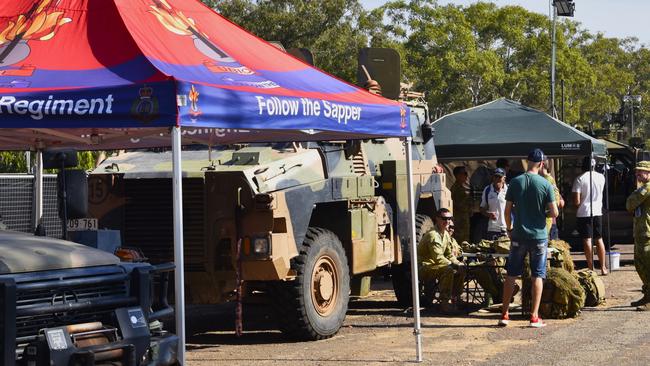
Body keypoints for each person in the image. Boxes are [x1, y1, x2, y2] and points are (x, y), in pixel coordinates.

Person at [499, 148, 558, 328]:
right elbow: (554, 212)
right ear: (541, 164)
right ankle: (534, 317)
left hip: (518, 235)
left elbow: (507, 211)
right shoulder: (546, 184)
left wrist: (509, 229)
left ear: (527, 161)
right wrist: (543, 212)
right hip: (539, 236)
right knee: (537, 275)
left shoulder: (515, 182)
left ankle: (504, 314)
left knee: (511, 274)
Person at [418, 208, 465, 314]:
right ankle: (444, 303)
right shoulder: (433, 235)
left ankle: (456, 299)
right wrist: (453, 265)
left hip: (437, 265)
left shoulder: (445, 234)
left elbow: (449, 255)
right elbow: (438, 258)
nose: (447, 221)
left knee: (461, 269)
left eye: (449, 218)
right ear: (437, 219)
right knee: (448, 270)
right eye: (444, 218)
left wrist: (458, 264)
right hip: (425, 267)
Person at [572, 156, 608, 275]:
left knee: (587, 239)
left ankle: (591, 268)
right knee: (599, 239)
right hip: (598, 211)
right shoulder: (601, 177)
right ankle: (603, 267)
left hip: (584, 212)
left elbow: (576, 201)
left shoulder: (579, 179)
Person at [625, 161, 650, 310]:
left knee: (647, 266)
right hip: (642, 233)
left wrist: (634, 194)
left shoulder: (646, 188)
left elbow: (629, 204)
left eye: (640, 172)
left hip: (647, 234)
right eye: (636, 172)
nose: (637, 174)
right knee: (640, 265)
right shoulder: (643, 187)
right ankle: (647, 295)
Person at [480, 168, 508, 240]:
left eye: (500, 177)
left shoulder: (509, 190)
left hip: (507, 228)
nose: (497, 179)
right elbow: (482, 208)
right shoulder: (487, 190)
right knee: (492, 250)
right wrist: (488, 214)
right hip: (492, 228)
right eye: (496, 176)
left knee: (507, 250)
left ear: (504, 178)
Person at [540, 158, 565, 240]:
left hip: (546, 223)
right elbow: (560, 202)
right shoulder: (550, 179)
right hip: (550, 222)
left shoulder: (545, 181)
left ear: (542, 164)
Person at [451, 166, 472, 244]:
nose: (466, 176)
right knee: (461, 241)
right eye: (464, 173)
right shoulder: (456, 189)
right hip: (459, 222)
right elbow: (458, 205)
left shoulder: (461, 188)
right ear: (458, 175)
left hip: (463, 220)